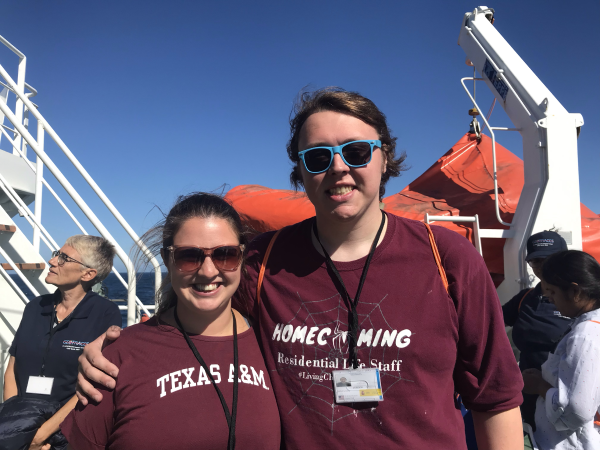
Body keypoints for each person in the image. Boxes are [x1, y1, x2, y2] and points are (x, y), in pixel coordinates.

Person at [76, 88, 524, 449]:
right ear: (301, 173)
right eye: (317, 157)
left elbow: (495, 399)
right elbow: (201, 312)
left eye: (356, 150)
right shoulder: (262, 261)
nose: (338, 168)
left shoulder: (447, 258)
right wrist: (115, 349)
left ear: (385, 157)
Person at [61, 193, 280, 450]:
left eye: (225, 254)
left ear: (242, 258)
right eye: (189, 256)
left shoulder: (274, 347)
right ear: (168, 260)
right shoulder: (117, 357)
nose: (208, 271)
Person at [1, 235, 121, 450]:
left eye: (64, 258)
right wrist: (14, 425)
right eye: (57, 254)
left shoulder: (104, 314)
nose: (52, 261)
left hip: (65, 432)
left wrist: (40, 437)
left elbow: (95, 384)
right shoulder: (35, 307)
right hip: (18, 427)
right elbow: (12, 367)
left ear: (88, 274)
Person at [522, 250, 600, 449]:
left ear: (576, 292)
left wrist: (540, 386)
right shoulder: (591, 326)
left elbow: (577, 411)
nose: (549, 298)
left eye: (553, 292)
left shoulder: (584, 335)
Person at [502, 230, 573, 428]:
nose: (542, 266)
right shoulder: (526, 298)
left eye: (549, 259)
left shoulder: (581, 301)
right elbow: (491, 322)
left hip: (567, 399)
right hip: (528, 396)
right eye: (536, 261)